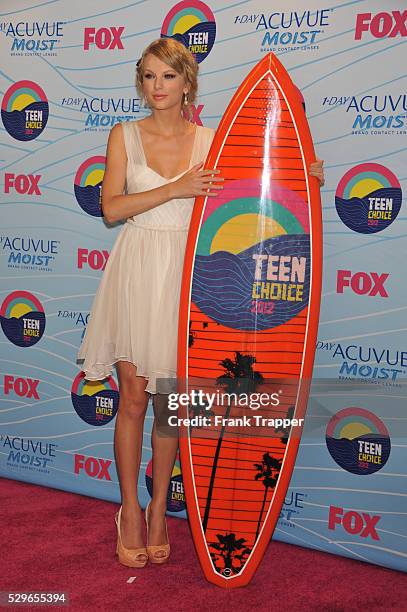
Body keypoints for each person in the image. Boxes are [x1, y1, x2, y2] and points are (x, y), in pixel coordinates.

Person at [77, 37, 324, 569]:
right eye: (148, 76)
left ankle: (162, 506)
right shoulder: (123, 135)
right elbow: (111, 208)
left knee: (170, 406)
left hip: (192, 278)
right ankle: (129, 510)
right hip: (138, 269)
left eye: (167, 76)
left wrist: (300, 175)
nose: (157, 87)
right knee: (135, 400)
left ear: (187, 82)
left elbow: (257, 192)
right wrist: (176, 188)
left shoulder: (214, 140)